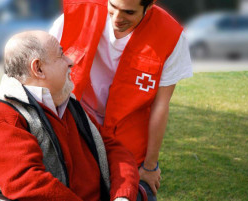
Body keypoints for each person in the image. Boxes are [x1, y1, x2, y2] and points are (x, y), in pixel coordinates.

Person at [0, 30, 140, 201]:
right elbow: (31, 185)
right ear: (38, 68)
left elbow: (113, 149)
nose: (71, 61)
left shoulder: (67, 104)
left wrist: (123, 195)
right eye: (61, 55)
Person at [49, 0, 193, 199]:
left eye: (128, 12)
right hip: (77, 133)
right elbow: (43, 74)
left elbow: (161, 105)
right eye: (113, 7)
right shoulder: (77, 14)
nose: (117, 18)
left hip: (130, 147)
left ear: (149, 6)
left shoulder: (171, 36)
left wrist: (150, 167)